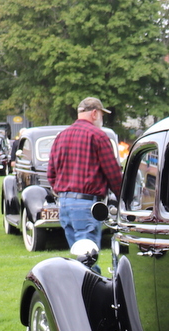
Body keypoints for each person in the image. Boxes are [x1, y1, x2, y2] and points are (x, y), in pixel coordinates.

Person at [47, 97, 122, 250]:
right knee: (88, 256)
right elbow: (113, 173)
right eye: (101, 114)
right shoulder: (98, 135)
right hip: (86, 204)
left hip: (64, 203)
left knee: (77, 255)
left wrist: (63, 191)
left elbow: (51, 173)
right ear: (94, 113)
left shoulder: (61, 136)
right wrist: (124, 198)